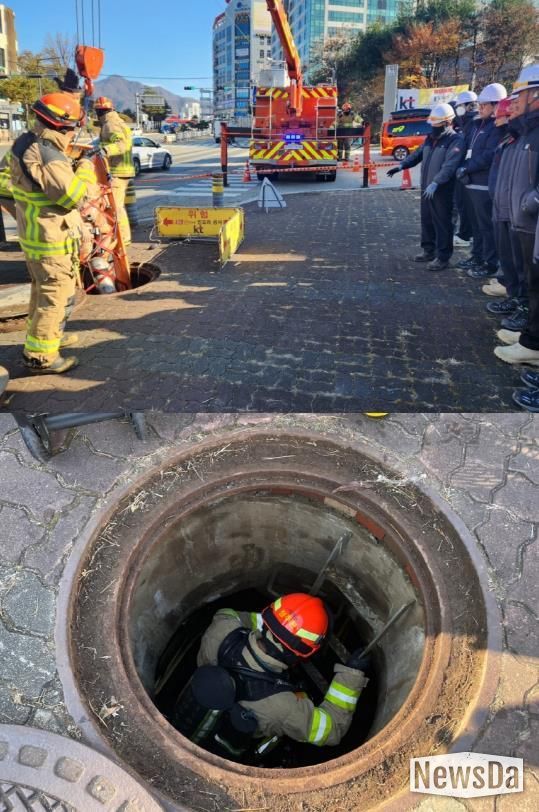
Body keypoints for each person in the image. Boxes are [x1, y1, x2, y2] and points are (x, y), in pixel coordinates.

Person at [177, 593, 370, 759]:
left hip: (187, 711)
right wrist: (351, 675)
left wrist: (276, 628)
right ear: (304, 654)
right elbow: (332, 729)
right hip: (234, 745)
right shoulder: (284, 708)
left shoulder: (221, 628)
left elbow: (228, 614)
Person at [9, 92, 96, 374]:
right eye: (71, 129)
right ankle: (41, 357)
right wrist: (84, 168)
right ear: (60, 125)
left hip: (36, 235)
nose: (73, 134)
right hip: (52, 239)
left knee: (43, 292)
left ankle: (48, 339)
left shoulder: (25, 142)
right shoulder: (47, 153)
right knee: (54, 295)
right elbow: (73, 197)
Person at [494, 63, 539, 378]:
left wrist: (530, 202)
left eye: (521, 95)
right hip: (519, 220)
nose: (515, 102)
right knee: (530, 282)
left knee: (533, 282)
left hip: (529, 221)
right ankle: (531, 335)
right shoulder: (525, 134)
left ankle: (532, 342)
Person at [387, 103, 464, 271]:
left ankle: (443, 257)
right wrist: (402, 166)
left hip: (443, 190)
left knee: (443, 223)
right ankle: (428, 250)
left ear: (447, 123)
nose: (433, 127)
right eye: (432, 123)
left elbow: (450, 166)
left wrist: (437, 182)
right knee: (427, 220)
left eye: (437, 124)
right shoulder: (431, 138)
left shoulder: (455, 140)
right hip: (427, 188)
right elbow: (417, 155)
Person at [455, 83, 507, 279]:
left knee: (486, 227)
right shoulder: (478, 125)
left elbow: (489, 155)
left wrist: (467, 166)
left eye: (485, 105)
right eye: (480, 104)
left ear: (497, 105)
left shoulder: (497, 128)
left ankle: (490, 263)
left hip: (484, 184)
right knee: (476, 225)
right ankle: (477, 256)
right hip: (470, 182)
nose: (480, 108)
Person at [486, 96, 527, 330]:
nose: (498, 120)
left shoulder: (525, 139)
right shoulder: (510, 140)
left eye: (503, 116)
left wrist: (528, 203)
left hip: (519, 214)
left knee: (523, 268)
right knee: (510, 259)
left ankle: (524, 309)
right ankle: (514, 298)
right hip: (503, 208)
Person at [94, 96, 135, 249]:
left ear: (99, 111)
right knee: (116, 206)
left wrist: (104, 151)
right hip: (121, 170)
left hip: (117, 171)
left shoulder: (110, 123)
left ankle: (123, 240)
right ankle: (121, 237)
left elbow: (121, 144)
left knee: (116, 207)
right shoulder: (114, 121)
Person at [453, 90, 479, 246]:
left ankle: (465, 235)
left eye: (460, 106)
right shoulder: (466, 123)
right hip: (464, 171)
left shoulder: (472, 123)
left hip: (467, 172)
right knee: (464, 205)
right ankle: (466, 233)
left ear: (468, 106)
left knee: (466, 206)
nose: (458, 109)